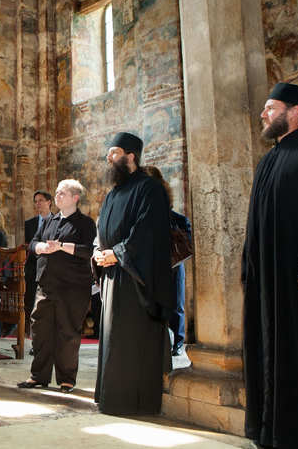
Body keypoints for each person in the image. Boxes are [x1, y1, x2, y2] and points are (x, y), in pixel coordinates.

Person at [242, 82, 298, 449]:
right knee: (264, 349)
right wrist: (247, 265)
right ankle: (269, 431)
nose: (264, 114)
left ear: (295, 111)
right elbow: (255, 221)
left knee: (295, 351)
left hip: (294, 277)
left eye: (271, 107)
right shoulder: (267, 160)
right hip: (264, 276)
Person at [93, 132, 174, 415]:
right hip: (113, 275)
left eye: (113, 152)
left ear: (130, 156)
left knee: (131, 341)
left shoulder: (149, 188)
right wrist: (98, 252)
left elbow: (148, 232)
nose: (108, 157)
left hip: (137, 278)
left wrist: (117, 253)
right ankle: (112, 398)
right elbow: (100, 229)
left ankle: (134, 402)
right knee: (114, 338)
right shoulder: (113, 193)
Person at [17, 179, 96, 393]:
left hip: (72, 287)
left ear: (75, 198)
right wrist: (42, 247)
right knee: (41, 331)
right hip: (46, 285)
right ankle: (38, 376)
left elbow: (87, 250)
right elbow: (33, 244)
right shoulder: (50, 221)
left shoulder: (85, 223)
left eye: (62, 193)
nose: (57, 196)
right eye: (58, 192)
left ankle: (66, 379)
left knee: (68, 332)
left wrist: (61, 247)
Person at [142, 165, 192, 357]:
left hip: (172, 264)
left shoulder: (176, 219)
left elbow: (186, 242)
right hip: (151, 264)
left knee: (176, 303)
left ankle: (178, 342)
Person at [24, 190, 53, 335]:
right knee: (30, 301)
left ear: (49, 202)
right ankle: (30, 334)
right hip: (31, 268)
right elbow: (27, 246)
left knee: (46, 304)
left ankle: (45, 334)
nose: (38, 204)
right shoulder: (29, 224)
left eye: (41, 200)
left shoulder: (57, 221)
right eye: (35, 201)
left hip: (49, 269)